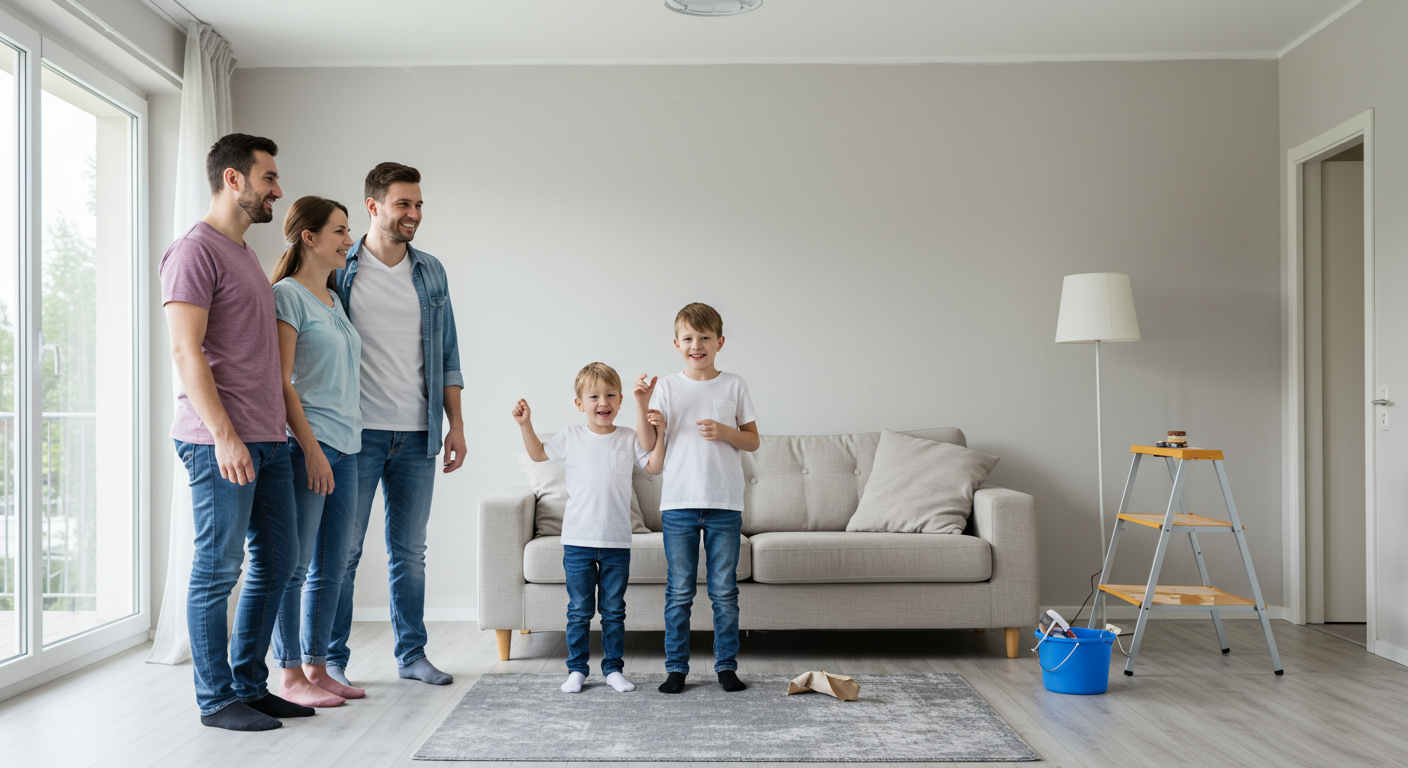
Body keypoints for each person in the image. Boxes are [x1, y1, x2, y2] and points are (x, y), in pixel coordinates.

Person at [161, 133, 313, 731]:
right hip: (218, 441)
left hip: (266, 436)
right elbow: (185, 350)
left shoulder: (244, 253)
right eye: (268, 177)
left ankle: (250, 685)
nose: (278, 189)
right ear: (233, 179)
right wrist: (224, 435)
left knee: (279, 562)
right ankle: (216, 699)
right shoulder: (193, 251)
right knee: (217, 570)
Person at [327, 162, 466, 687]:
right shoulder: (340, 267)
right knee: (342, 552)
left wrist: (455, 425)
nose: (414, 213)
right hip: (354, 434)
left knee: (409, 553)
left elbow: (448, 354)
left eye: (419, 204)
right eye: (404, 204)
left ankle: (412, 655)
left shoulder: (430, 271)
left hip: (417, 434)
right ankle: (331, 660)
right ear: (373, 206)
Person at [512, 363, 667, 694]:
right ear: (580, 404)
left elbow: (654, 465)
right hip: (577, 541)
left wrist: (660, 432)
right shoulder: (571, 436)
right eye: (594, 396)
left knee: (613, 611)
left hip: (616, 542)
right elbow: (538, 454)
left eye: (610, 395)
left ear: (620, 400)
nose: (603, 402)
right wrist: (526, 425)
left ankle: (613, 669)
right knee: (579, 610)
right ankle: (577, 670)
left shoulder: (628, 437)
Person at [268, 196, 367, 707]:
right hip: (310, 446)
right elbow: (281, 381)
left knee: (334, 563)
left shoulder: (332, 297)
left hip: (348, 445)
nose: (349, 241)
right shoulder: (287, 295)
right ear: (309, 237)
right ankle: (289, 675)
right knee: (295, 564)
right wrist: (309, 448)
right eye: (340, 231)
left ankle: (317, 667)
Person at [637, 302, 760, 694]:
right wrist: (643, 407)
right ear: (677, 344)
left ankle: (726, 666)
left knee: (724, 591)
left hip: (725, 504)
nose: (696, 345)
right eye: (688, 338)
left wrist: (726, 432)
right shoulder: (667, 388)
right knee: (679, 591)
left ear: (719, 342)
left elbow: (753, 440)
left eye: (705, 337)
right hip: (679, 504)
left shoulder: (734, 385)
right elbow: (648, 445)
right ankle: (676, 668)